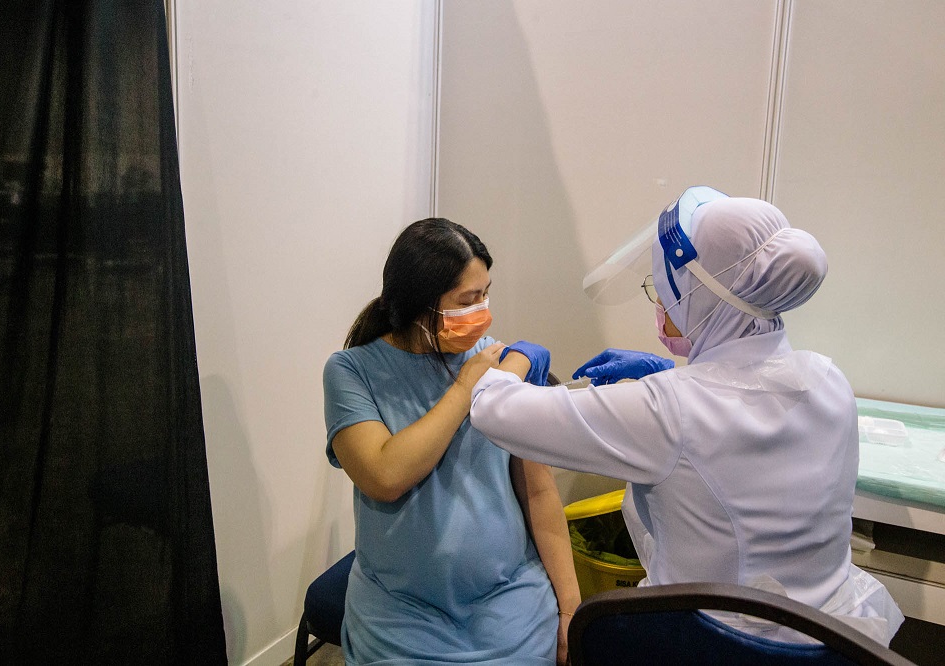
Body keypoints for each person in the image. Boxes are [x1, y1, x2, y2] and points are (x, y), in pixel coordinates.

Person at [469, 188, 904, 645]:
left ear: (702, 295)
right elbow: (738, 405)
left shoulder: (669, 410)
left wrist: (514, 360)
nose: (660, 305)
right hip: (832, 638)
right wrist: (670, 375)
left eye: (662, 289)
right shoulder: (827, 378)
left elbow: (493, 410)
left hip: (713, 644)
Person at [323, 218, 580, 665]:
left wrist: (571, 609)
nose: (483, 311)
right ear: (419, 304)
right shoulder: (351, 372)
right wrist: (465, 388)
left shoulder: (496, 362)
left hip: (509, 604)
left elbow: (538, 492)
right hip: (400, 618)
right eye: (468, 300)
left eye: (485, 294)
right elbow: (385, 475)